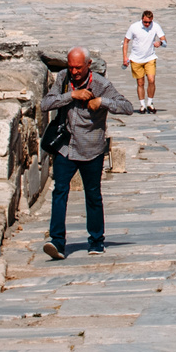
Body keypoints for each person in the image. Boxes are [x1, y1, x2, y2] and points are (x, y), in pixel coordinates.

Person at [40, 46, 133, 259]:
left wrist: (102, 102)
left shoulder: (101, 85)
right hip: (66, 147)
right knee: (59, 191)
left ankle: (96, 241)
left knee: (93, 195)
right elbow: (46, 103)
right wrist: (71, 95)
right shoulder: (63, 78)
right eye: (71, 67)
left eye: (78, 68)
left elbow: (127, 107)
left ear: (88, 65)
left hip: (91, 149)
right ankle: (57, 241)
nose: (74, 72)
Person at [123, 9, 166, 112]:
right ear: (142, 19)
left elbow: (164, 40)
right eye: (145, 22)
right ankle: (142, 105)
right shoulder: (134, 27)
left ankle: (150, 103)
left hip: (150, 57)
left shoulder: (156, 26)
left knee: (151, 80)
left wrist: (160, 43)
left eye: (149, 22)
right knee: (140, 82)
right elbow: (126, 41)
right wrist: (125, 57)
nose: (147, 24)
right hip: (136, 58)